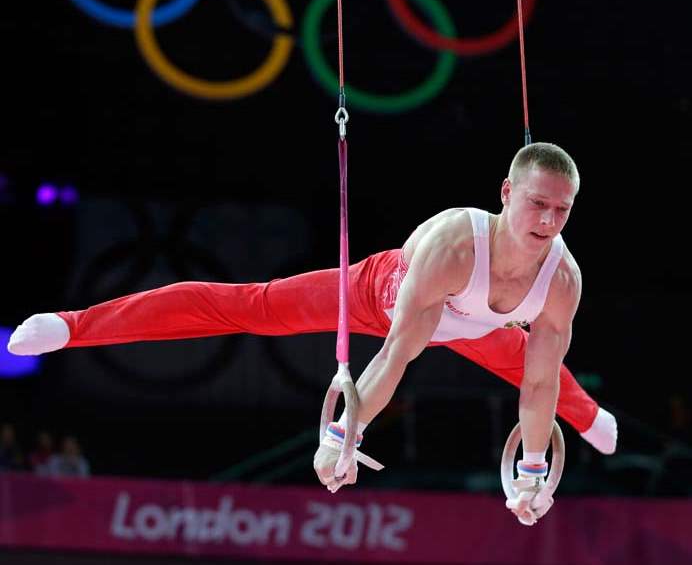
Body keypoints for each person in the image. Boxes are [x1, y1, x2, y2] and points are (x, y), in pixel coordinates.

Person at [8, 142, 617, 524]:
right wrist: (343, 434)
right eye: (537, 204)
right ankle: (71, 327)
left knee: (534, 363)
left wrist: (532, 474)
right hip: (387, 299)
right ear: (507, 193)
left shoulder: (563, 279)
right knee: (249, 306)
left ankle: (591, 418)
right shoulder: (456, 247)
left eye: (561, 210)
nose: (547, 221)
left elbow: (539, 386)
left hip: (472, 323)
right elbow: (396, 357)